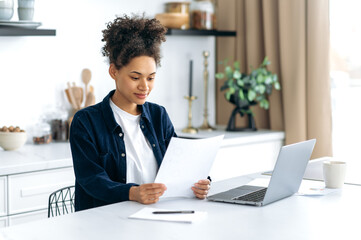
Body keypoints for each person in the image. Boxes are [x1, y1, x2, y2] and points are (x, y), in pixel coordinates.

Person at [69, 14, 211, 211]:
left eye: (151, 78)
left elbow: (180, 165)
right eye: (135, 77)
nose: (144, 86)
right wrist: (131, 192)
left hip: (155, 217)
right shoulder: (86, 122)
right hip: (104, 223)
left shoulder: (158, 116)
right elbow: (91, 179)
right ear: (113, 72)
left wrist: (200, 183)